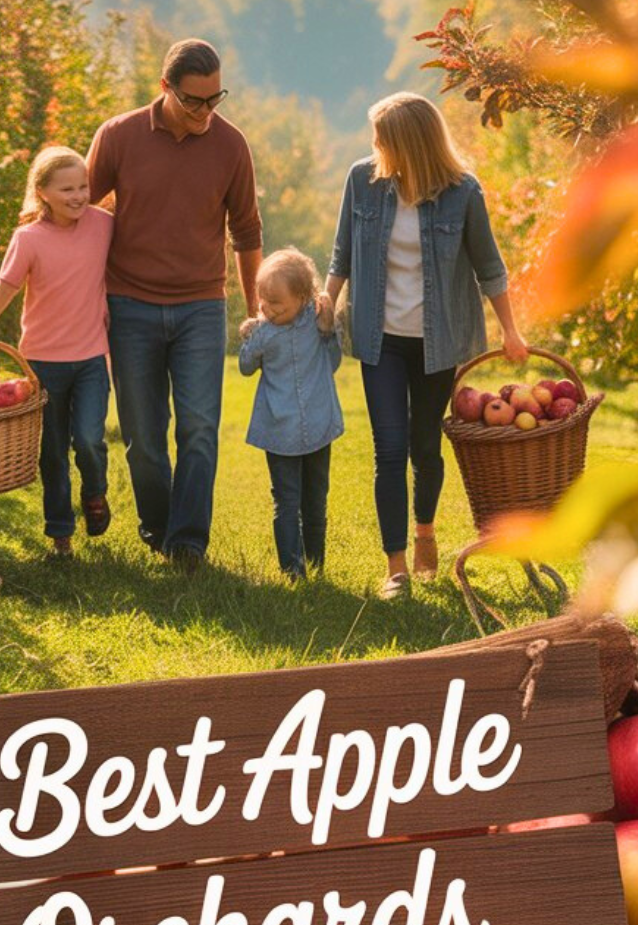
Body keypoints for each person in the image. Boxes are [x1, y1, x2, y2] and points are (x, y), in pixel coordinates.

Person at [323, 92, 528, 599]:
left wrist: (510, 329)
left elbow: (489, 268)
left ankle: (425, 533)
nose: (374, 146)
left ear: (409, 144)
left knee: (424, 447)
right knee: (388, 449)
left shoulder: (463, 193)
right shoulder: (362, 181)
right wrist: (328, 299)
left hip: (439, 340)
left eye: (382, 138)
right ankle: (396, 567)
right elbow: (342, 250)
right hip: (380, 337)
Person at [86, 38, 263, 571]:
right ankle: (158, 527)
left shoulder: (231, 146)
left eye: (215, 99)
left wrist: (254, 310)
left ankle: (187, 545)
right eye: (194, 102)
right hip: (130, 304)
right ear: (165, 88)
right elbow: (79, 208)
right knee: (143, 437)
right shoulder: (118, 136)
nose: (206, 113)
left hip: (200, 308)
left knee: (199, 429)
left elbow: (247, 231)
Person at [0, 145, 113, 558]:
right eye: (67, 189)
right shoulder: (28, 238)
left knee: (87, 439)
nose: (79, 196)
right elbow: (5, 288)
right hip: (41, 364)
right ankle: (61, 535)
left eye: (83, 186)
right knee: (52, 453)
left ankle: (96, 491)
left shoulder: (104, 225)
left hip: (90, 360)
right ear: (42, 191)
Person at [239, 246, 343, 581]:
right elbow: (244, 367)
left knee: (316, 501)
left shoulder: (316, 324)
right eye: (262, 300)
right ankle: (292, 571)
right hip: (280, 431)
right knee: (286, 502)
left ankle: (316, 564)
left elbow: (333, 363)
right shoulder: (265, 332)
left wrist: (329, 330)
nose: (267, 308)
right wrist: (251, 338)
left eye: (276, 303)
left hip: (317, 427)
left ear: (302, 297)